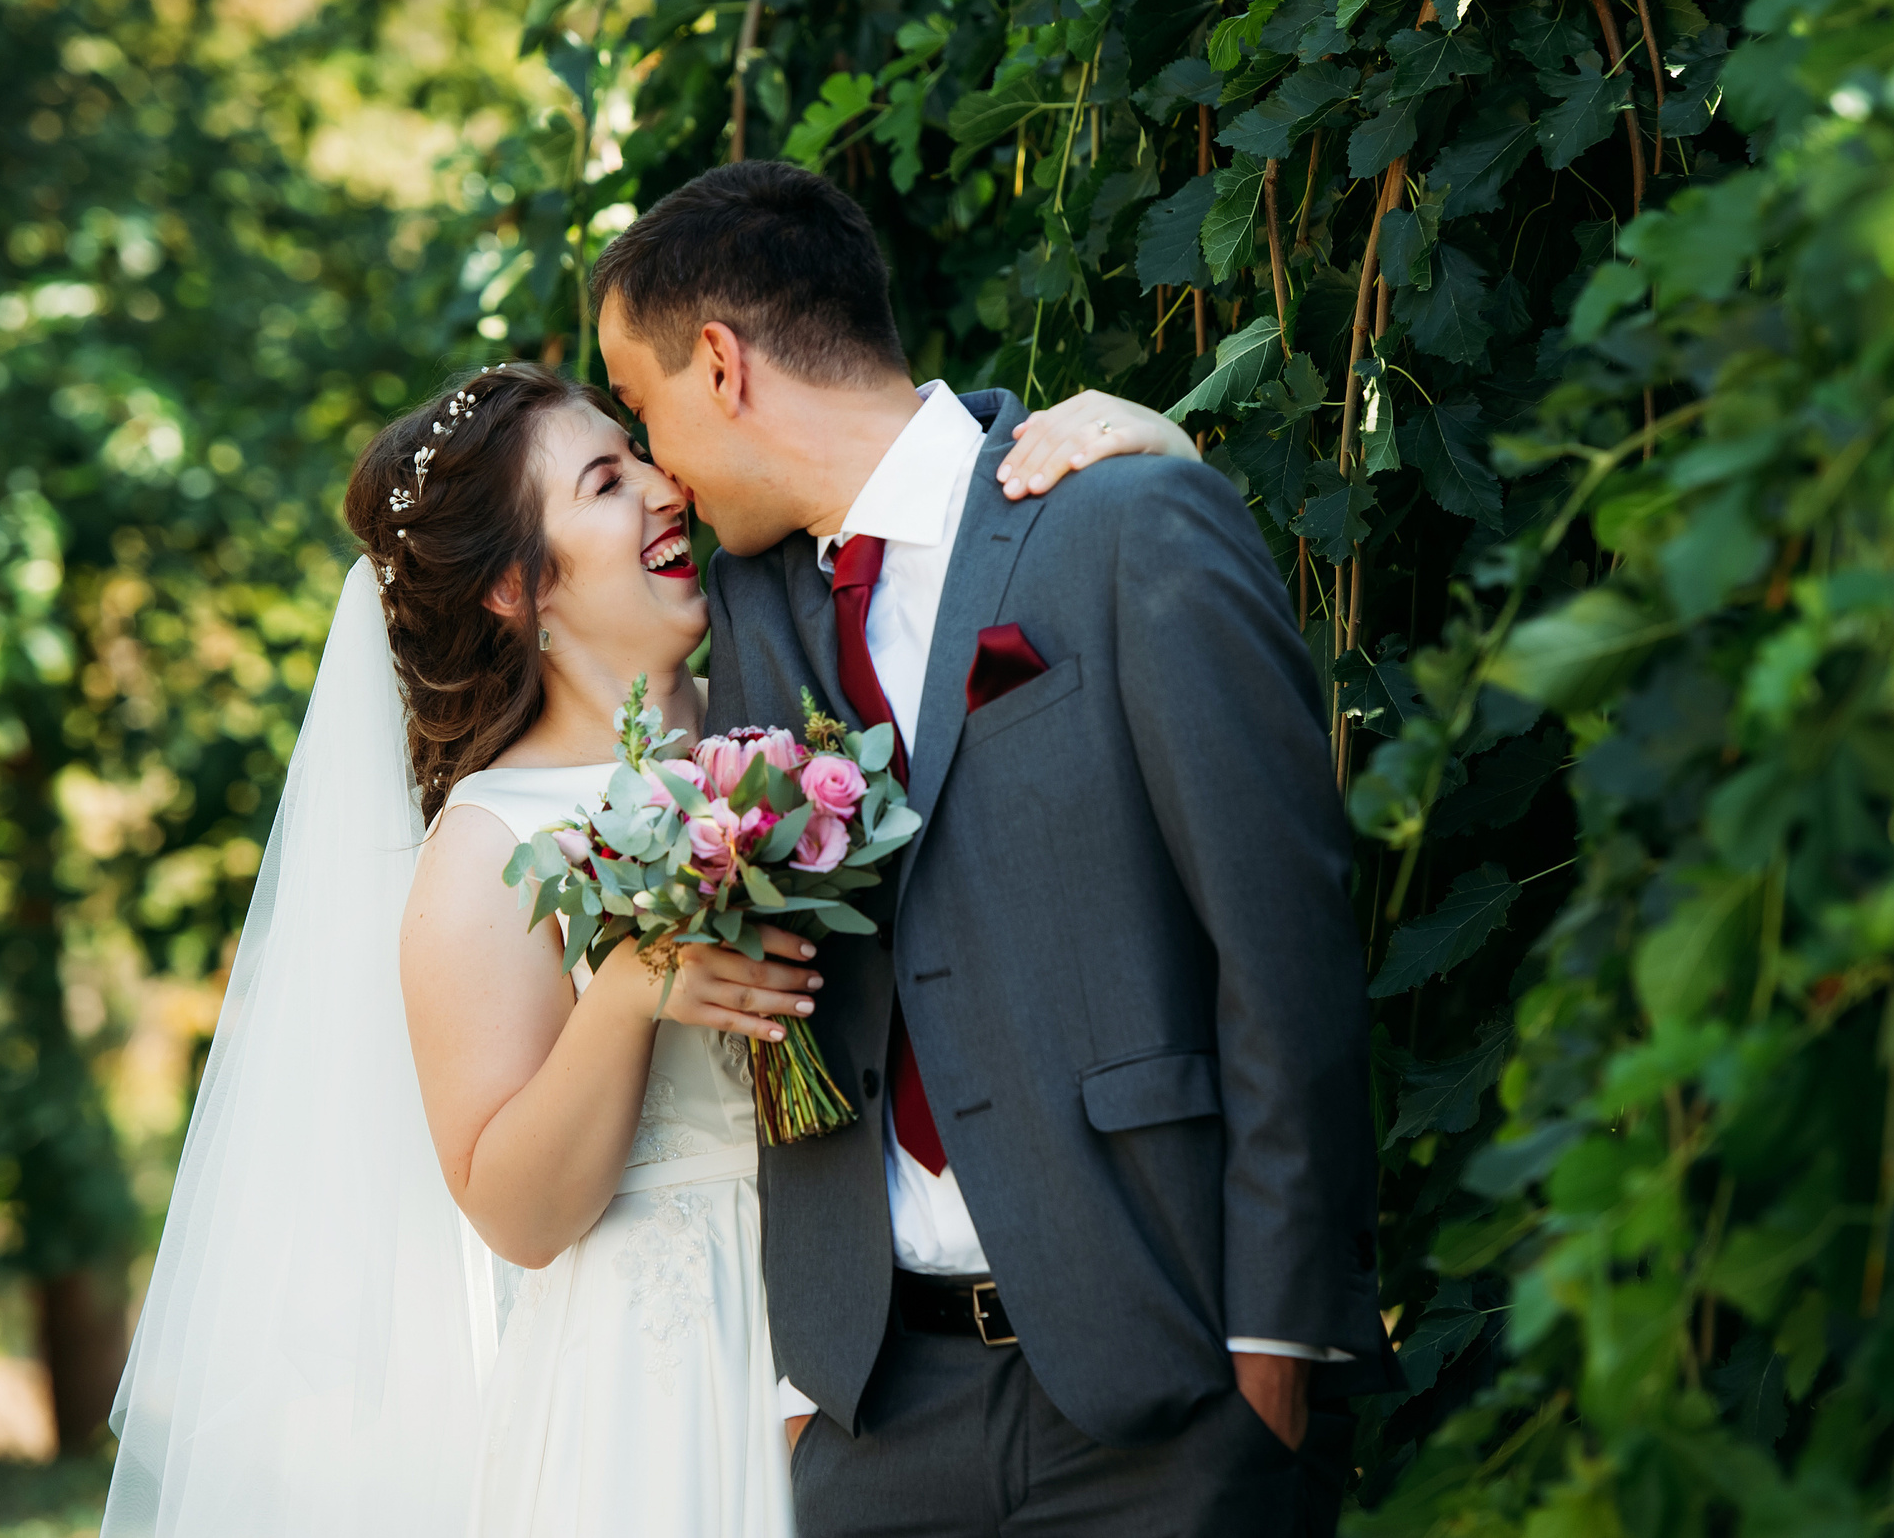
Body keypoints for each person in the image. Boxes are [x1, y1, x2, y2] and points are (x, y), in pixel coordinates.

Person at [99, 353, 1192, 1537]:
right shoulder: (487, 846)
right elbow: (515, 1212)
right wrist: (629, 991)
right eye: (607, 481)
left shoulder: (797, 722)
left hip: (887, 1337)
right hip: (662, 1384)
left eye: (644, 453)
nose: (666, 488)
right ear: (520, 587)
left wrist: (1141, 451)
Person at [592, 161, 1401, 1538]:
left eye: (641, 403)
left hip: (1171, 1386)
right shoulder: (743, 605)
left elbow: (1284, 938)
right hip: (878, 1417)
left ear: (718, 364)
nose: (654, 460)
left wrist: (1277, 1346)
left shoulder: (1125, 520)